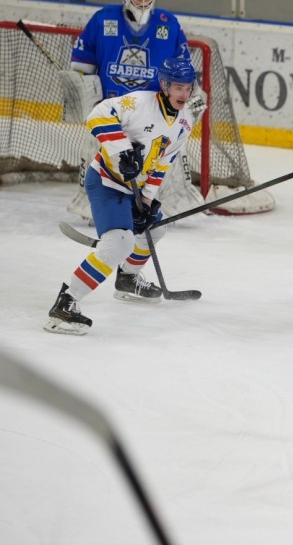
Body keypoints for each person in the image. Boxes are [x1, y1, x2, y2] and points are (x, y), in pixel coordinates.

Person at [44, 58, 199, 336]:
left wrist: (147, 200)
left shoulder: (185, 121)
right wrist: (123, 150)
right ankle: (64, 304)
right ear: (164, 86)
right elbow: (97, 114)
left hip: (135, 188)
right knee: (120, 242)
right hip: (107, 182)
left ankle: (127, 278)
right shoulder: (139, 103)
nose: (184, 94)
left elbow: (163, 162)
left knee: (156, 227)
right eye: (179, 87)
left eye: (188, 88)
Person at [64, 0, 199, 223]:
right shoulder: (103, 19)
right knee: (102, 156)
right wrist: (85, 91)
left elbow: (184, 71)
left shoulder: (168, 24)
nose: (144, 2)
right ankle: (96, 205)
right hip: (115, 110)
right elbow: (82, 67)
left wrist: (188, 99)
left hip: (153, 110)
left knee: (160, 157)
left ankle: (163, 201)